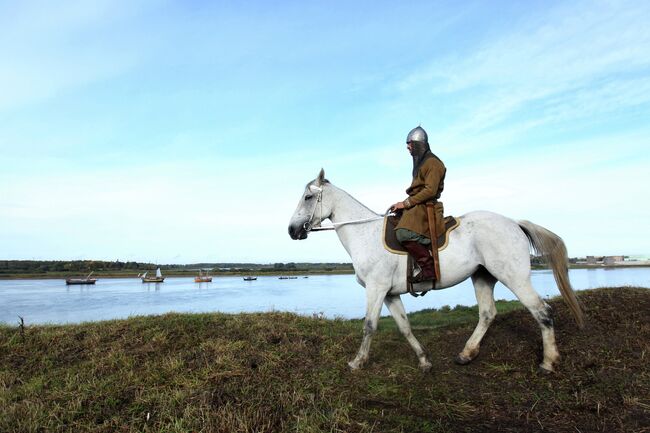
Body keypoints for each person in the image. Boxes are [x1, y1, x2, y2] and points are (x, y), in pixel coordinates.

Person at [390, 126, 446, 283]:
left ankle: (428, 269)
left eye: (409, 143)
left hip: (426, 207)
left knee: (403, 233)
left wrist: (406, 203)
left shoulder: (433, 163)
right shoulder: (422, 163)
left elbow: (430, 191)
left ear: (418, 144)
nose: (407, 147)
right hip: (417, 205)